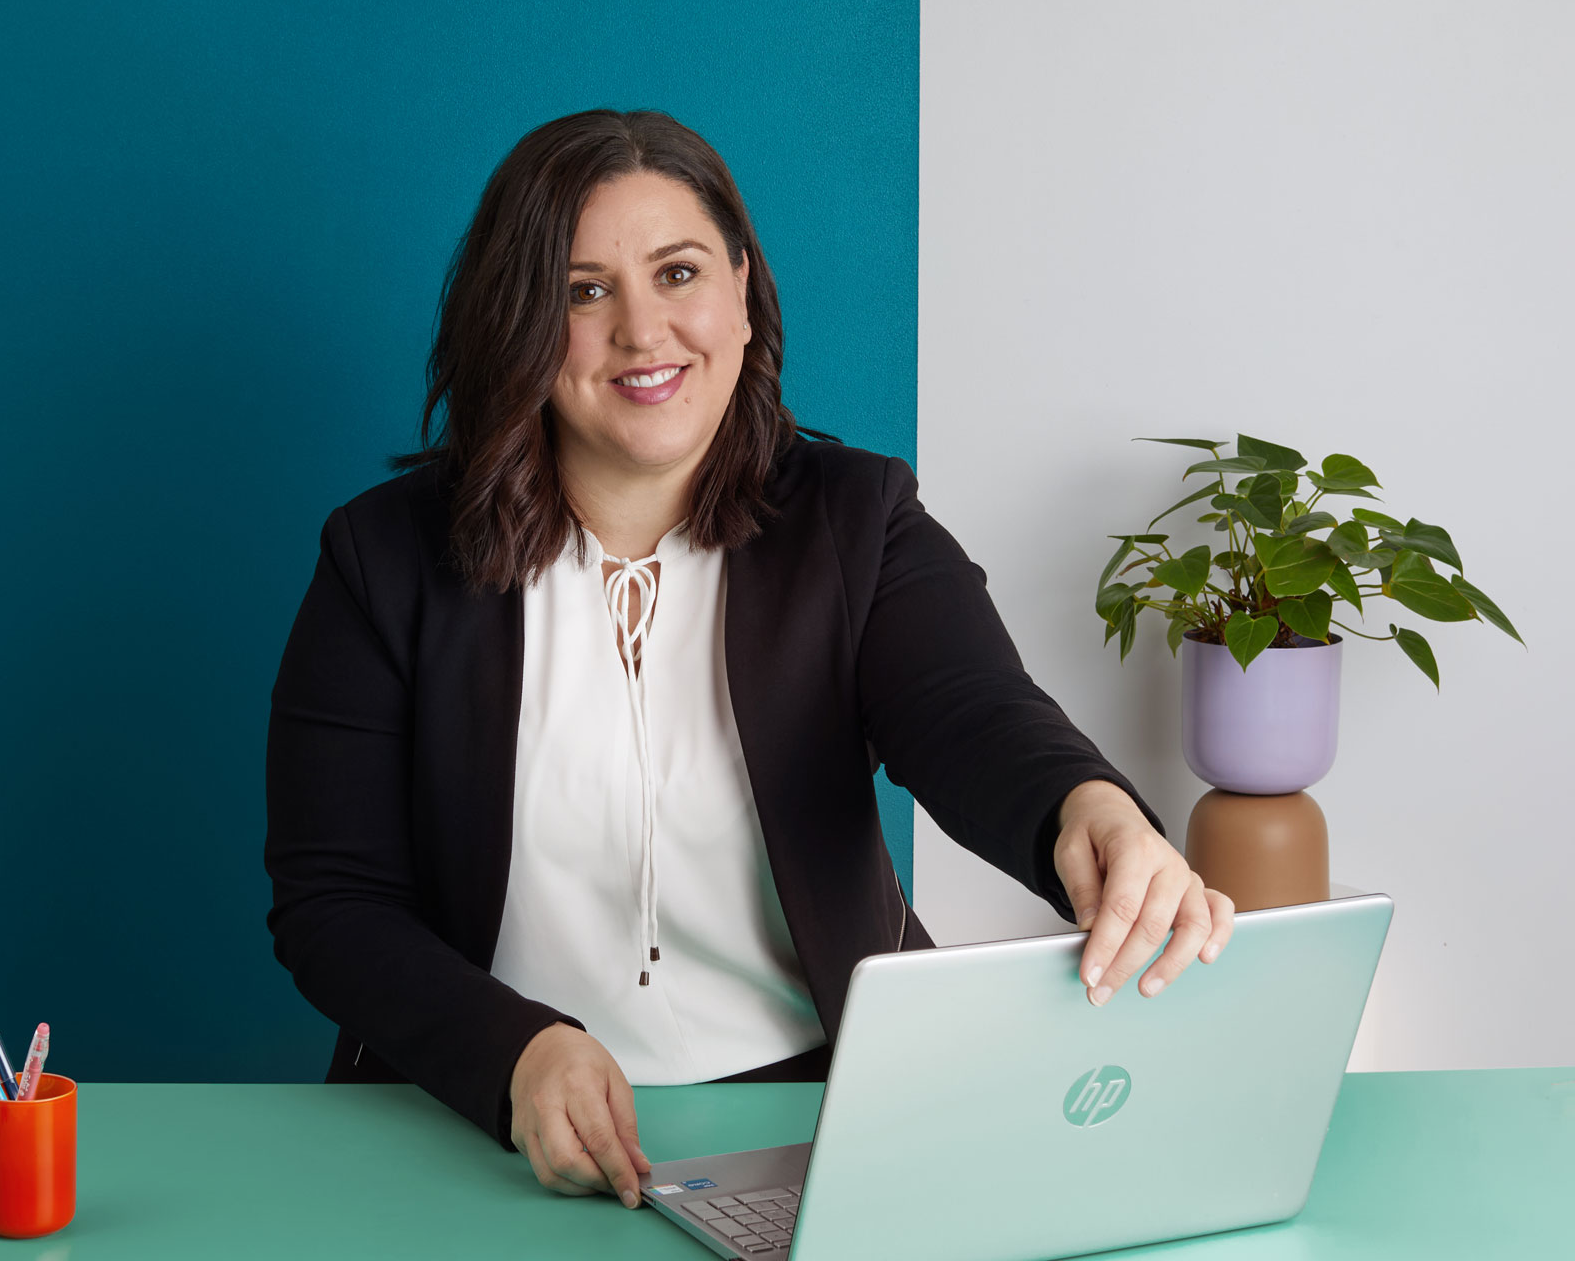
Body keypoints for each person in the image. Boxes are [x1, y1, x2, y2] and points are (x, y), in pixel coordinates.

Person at [264, 108, 1234, 1214]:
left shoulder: (857, 516)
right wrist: (515, 1054)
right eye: (584, 291)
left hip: (831, 1112)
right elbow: (332, 901)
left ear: (740, 285)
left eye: (678, 272)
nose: (644, 330)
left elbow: (970, 709)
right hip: (482, 1119)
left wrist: (1087, 805)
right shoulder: (382, 557)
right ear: (519, 322)